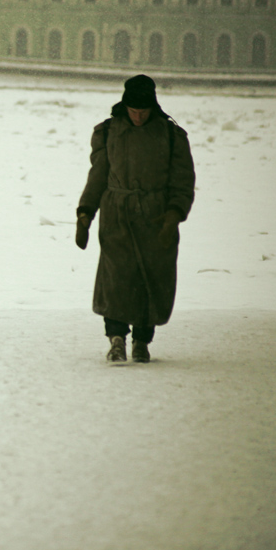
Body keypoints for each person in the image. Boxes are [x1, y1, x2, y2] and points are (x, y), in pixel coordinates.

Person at [75, 75, 195, 363]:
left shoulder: (171, 136)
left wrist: (173, 216)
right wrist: (85, 213)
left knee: (150, 280)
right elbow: (99, 175)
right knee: (116, 278)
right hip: (117, 214)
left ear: (153, 107)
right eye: (133, 111)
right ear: (124, 106)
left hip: (156, 218)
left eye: (143, 112)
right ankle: (116, 340)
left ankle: (142, 340)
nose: (138, 117)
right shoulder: (108, 132)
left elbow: (182, 181)